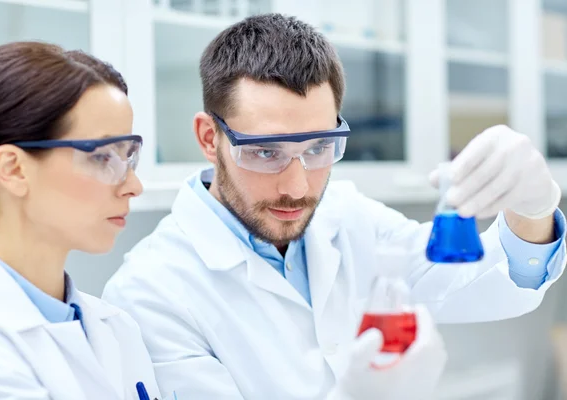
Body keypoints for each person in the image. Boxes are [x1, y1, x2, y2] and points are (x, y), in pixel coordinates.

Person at [103, 13, 566, 400]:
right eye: (266, 152)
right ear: (210, 138)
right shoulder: (150, 295)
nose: (297, 185)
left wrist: (533, 210)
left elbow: (483, 284)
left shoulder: (348, 216)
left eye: (320, 147)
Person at [0, 42, 161, 400]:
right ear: (13, 169)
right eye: (103, 158)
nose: (133, 186)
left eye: (128, 157)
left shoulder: (118, 328)